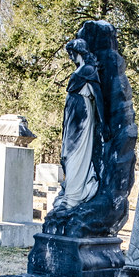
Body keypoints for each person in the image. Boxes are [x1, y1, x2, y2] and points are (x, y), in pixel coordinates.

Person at [54, 38, 104, 210]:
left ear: (79, 52)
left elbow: (98, 97)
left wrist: (104, 123)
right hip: (72, 115)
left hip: (82, 115)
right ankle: (70, 193)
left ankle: (74, 197)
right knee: (67, 153)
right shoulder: (81, 70)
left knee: (76, 153)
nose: (70, 57)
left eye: (71, 53)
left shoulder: (89, 70)